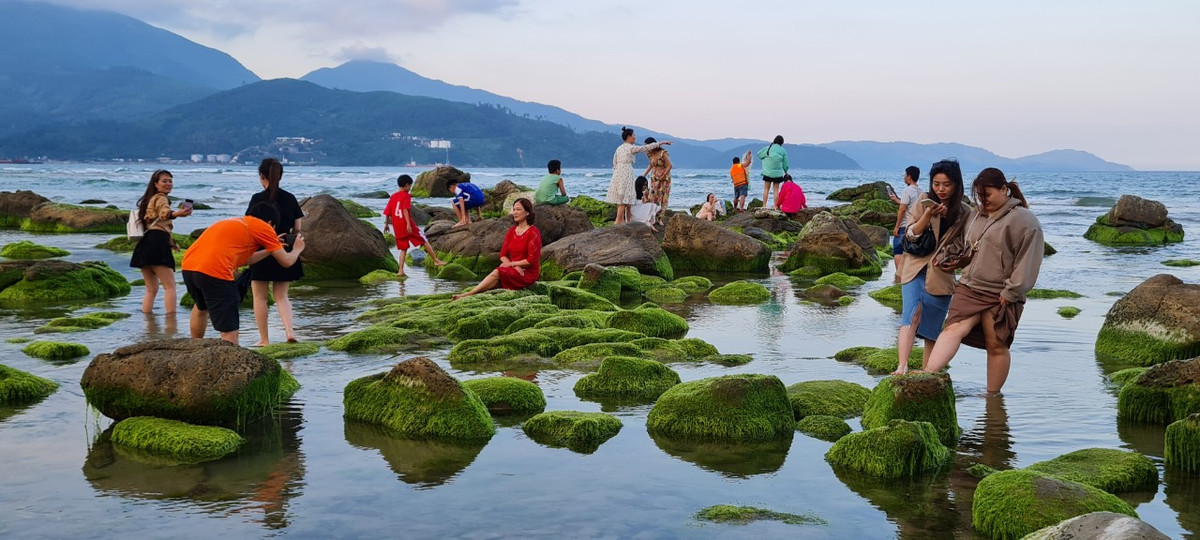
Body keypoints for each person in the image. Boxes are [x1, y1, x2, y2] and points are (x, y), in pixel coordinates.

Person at [917, 167, 1043, 393]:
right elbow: (967, 246)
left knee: (996, 345)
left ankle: (992, 397)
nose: (983, 201)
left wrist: (1011, 292)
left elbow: (1028, 261)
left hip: (1002, 293)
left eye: (988, 195)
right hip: (970, 286)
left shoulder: (1024, 220)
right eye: (979, 197)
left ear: (1004, 189)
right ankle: (929, 374)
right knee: (952, 328)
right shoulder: (976, 215)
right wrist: (951, 258)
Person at [181, 203, 305, 344]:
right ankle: (232, 360)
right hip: (215, 271)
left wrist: (269, 249)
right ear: (270, 223)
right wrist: (297, 249)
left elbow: (245, 260)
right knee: (229, 326)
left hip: (189, 267)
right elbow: (287, 262)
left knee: (201, 307)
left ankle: (195, 346)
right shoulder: (264, 227)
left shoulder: (233, 222)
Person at [892, 159, 968, 375]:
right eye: (936, 184)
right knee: (912, 313)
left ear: (956, 184)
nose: (941, 189)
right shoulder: (924, 201)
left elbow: (966, 244)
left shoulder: (963, 211)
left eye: (946, 184)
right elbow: (911, 234)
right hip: (915, 266)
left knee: (932, 328)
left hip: (941, 272)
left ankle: (928, 372)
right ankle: (901, 366)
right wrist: (928, 216)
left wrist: (957, 259)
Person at [245, 158, 304, 346]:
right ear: (280, 176)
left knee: (260, 298)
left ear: (262, 176)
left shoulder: (257, 198)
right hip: (284, 247)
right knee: (282, 296)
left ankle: (264, 339)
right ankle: (289, 332)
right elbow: (297, 227)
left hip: (261, 249)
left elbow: (248, 225)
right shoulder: (290, 197)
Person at [452, 198, 541, 300]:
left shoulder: (533, 232)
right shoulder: (512, 231)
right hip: (514, 269)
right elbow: (503, 255)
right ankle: (475, 295)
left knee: (498, 271)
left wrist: (512, 264)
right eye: (514, 209)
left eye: (518, 210)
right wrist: (512, 266)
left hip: (527, 273)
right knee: (494, 282)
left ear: (527, 213)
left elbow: (531, 260)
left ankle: (467, 295)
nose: (515, 212)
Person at [130, 169, 192, 314]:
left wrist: (171, 243)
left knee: (151, 290)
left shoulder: (149, 200)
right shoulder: (161, 198)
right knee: (170, 287)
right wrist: (177, 213)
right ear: (156, 184)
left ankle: (148, 323)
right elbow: (165, 213)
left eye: (170, 181)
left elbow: (156, 224)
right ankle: (171, 322)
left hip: (145, 245)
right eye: (164, 181)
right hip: (157, 244)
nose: (168, 184)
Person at [384, 174, 447, 278]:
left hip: (397, 226)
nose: (410, 189)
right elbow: (405, 209)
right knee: (423, 240)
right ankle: (436, 260)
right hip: (407, 225)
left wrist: (386, 224)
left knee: (403, 249)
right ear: (406, 185)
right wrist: (409, 224)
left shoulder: (393, 196)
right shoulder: (406, 195)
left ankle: (400, 271)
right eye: (410, 186)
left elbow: (388, 212)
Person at [606, 127, 670, 225]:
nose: (635, 137)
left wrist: (617, 172)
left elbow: (614, 162)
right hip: (626, 172)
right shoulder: (630, 147)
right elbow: (644, 148)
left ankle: (621, 220)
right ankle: (618, 221)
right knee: (624, 198)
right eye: (634, 136)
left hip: (618, 173)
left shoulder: (619, 148)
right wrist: (660, 143)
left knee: (621, 197)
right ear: (628, 137)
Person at [890, 166, 923, 281]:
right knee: (911, 253)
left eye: (905, 175)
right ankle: (910, 277)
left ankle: (900, 278)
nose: (904, 177)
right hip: (916, 227)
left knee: (898, 252)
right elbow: (909, 206)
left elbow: (903, 209)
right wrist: (896, 200)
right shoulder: (920, 192)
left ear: (909, 177)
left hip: (904, 226)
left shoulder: (907, 191)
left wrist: (897, 226)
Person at [643, 137, 673, 226]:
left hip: (664, 179)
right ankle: (651, 217)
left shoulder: (662, 153)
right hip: (654, 178)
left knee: (663, 198)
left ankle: (660, 218)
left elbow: (670, 165)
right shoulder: (649, 154)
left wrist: (663, 176)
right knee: (652, 197)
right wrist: (644, 175)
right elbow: (651, 165)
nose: (646, 148)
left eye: (647, 146)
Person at [755, 135, 789, 207]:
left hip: (767, 173)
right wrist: (786, 171)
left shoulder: (768, 148)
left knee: (766, 188)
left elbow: (759, 155)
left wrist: (765, 158)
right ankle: (776, 207)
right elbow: (785, 164)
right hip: (778, 174)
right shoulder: (783, 151)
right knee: (776, 189)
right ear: (782, 143)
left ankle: (764, 206)